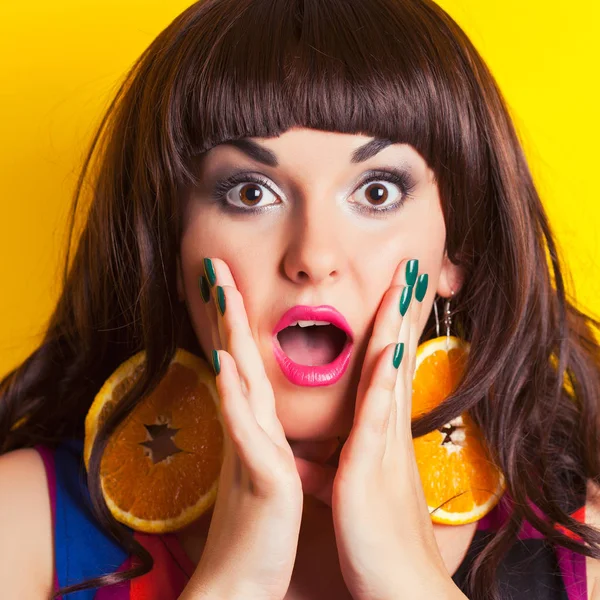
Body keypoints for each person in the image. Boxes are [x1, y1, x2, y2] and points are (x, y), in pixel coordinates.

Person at [1, 0, 600, 598]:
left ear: (455, 252)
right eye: (251, 192)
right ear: (170, 247)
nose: (313, 256)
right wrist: (233, 581)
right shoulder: (22, 528)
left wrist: (410, 584)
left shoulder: (585, 557)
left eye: (377, 190)